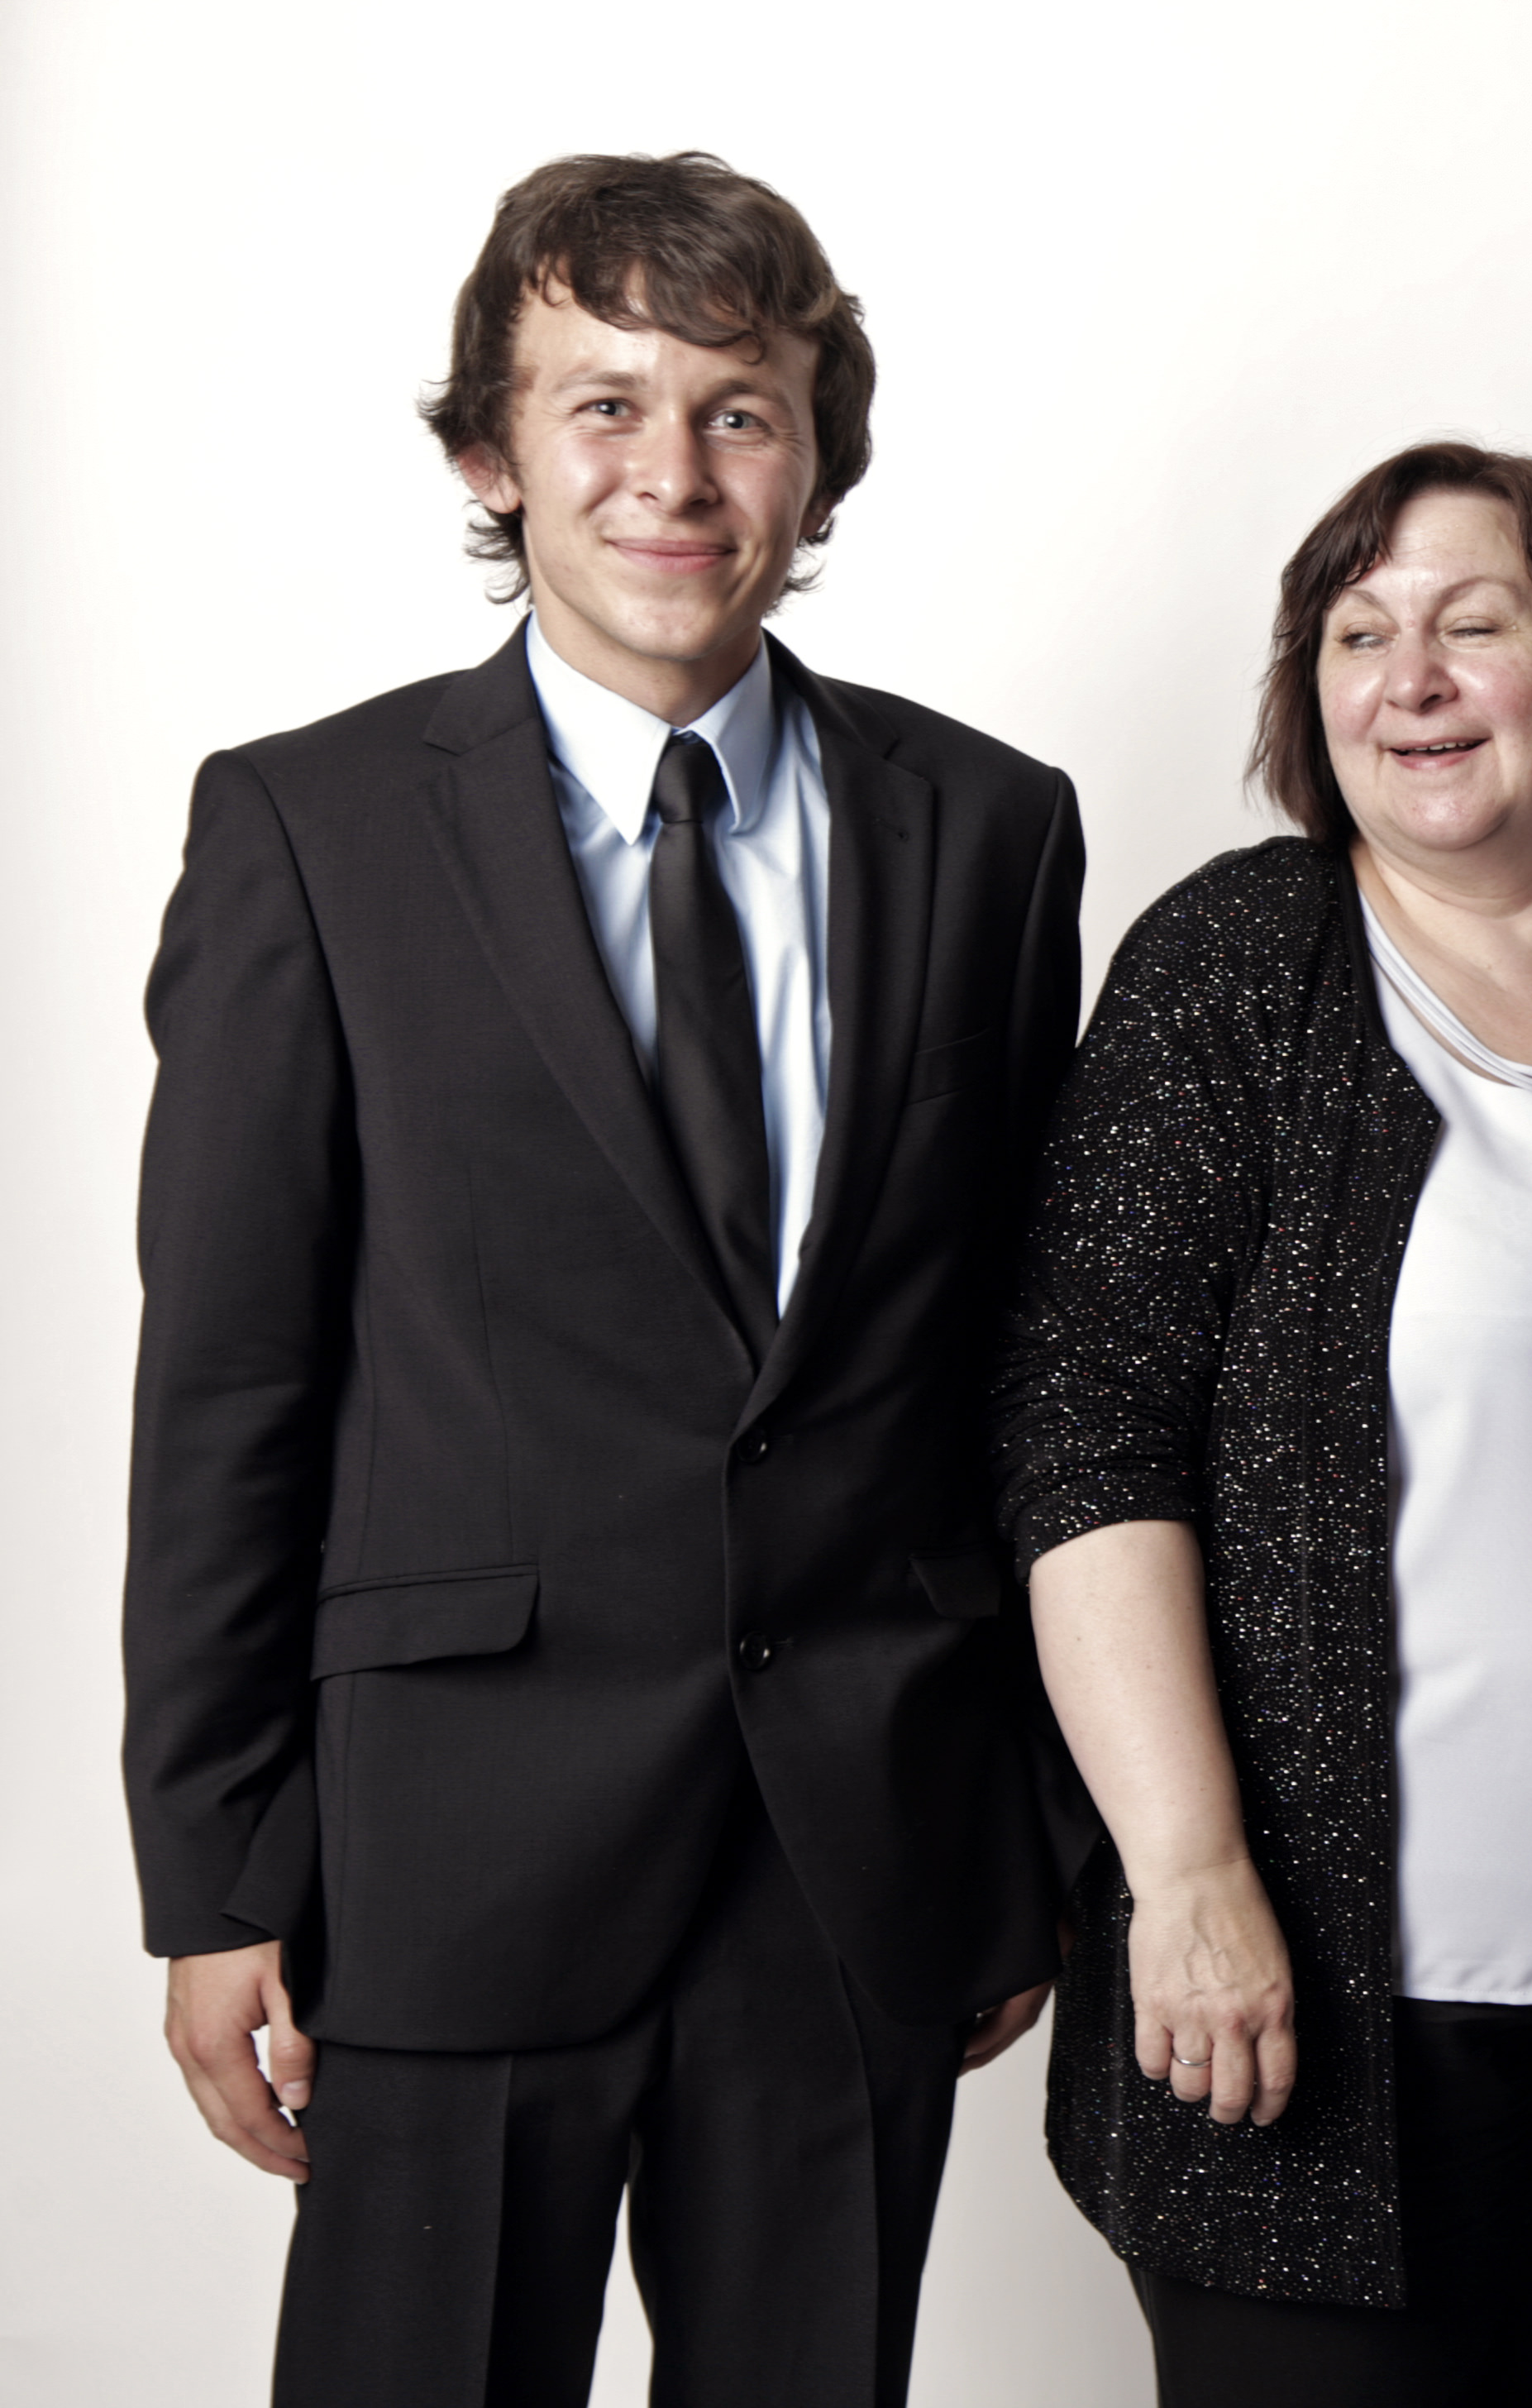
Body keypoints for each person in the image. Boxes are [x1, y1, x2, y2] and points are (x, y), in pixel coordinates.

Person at [123, 152, 1085, 2406]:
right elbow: (232, 1384)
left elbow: (1020, 1365)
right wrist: (215, 1869)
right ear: (493, 452)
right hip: (443, 1845)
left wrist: (1030, 1823)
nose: (675, 471)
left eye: (741, 411)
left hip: (858, 1845)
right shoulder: (314, 830)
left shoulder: (991, 827)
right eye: (606, 405)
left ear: (816, 460)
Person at [990, 442, 1532, 2407]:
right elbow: (1087, 1437)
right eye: (1356, 634)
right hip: (1310, 1997)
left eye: (1470, 623)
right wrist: (1188, 1872)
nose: (1408, 679)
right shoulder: (1238, 968)